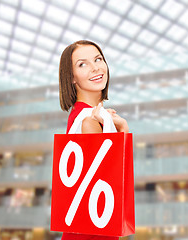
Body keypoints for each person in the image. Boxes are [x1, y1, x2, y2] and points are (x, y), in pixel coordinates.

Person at [58, 40, 129, 240]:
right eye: (83, 64)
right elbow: (110, 187)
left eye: (98, 59)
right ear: (71, 77)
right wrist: (123, 130)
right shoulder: (89, 120)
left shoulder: (79, 114)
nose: (95, 67)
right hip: (92, 233)